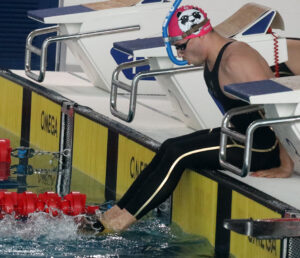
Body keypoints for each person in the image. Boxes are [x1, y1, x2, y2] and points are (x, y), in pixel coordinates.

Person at [79, 5, 294, 234]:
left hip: (262, 148)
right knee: (170, 146)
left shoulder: (236, 60)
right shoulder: (213, 58)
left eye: (181, 47)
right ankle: (114, 212)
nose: (179, 54)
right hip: (239, 135)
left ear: (199, 35)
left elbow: (278, 107)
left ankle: (118, 224)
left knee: (179, 155)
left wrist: (285, 164)